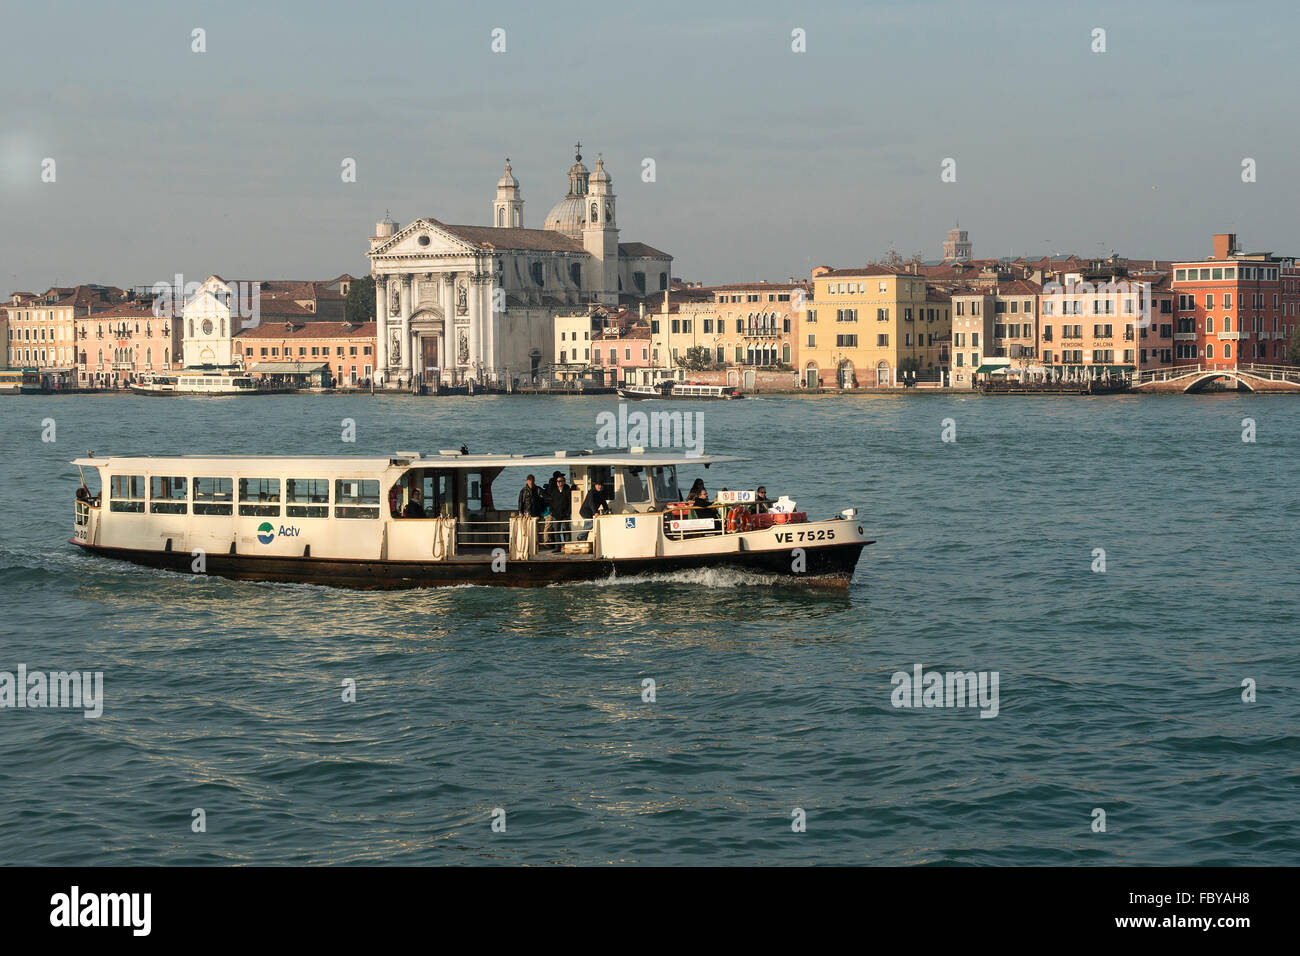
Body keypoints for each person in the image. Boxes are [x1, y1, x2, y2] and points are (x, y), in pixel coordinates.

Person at [548, 474, 573, 546]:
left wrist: (568, 513)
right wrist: (552, 512)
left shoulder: (567, 491)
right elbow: (551, 502)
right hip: (556, 514)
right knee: (556, 531)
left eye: (560, 481)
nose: (558, 482)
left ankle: (567, 545)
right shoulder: (554, 491)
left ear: (564, 482)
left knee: (566, 530)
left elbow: (570, 502)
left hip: (565, 514)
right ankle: (557, 546)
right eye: (557, 481)